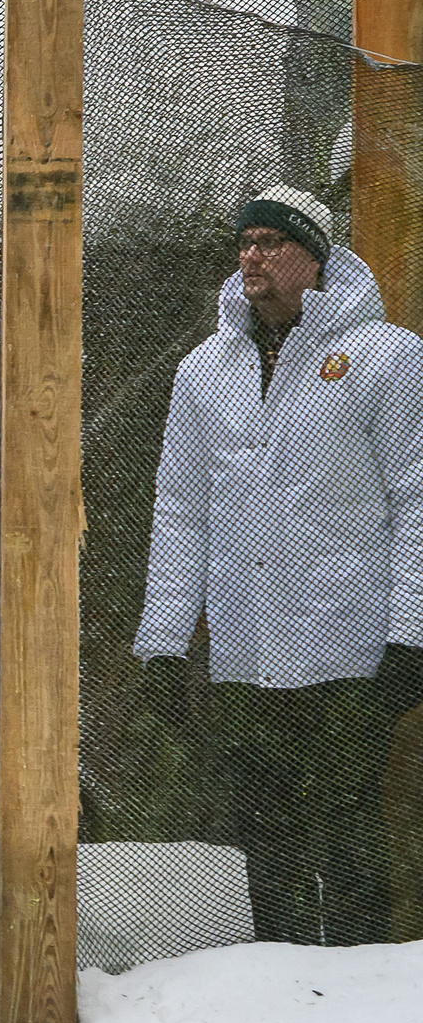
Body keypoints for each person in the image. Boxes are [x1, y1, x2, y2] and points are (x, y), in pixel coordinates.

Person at [134, 188, 423, 945]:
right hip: (246, 653)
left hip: (347, 649)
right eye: (245, 241)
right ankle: (281, 991)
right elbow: (180, 512)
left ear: (315, 257)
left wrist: (411, 635)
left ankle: (361, 993)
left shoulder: (386, 357)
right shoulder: (204, 370)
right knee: (268, 836)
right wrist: (163, 645)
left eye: (270, 241)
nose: (251, 255)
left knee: (350, 827)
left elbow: (416, 498)